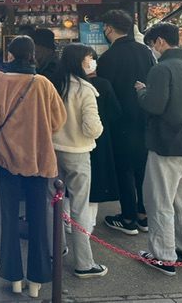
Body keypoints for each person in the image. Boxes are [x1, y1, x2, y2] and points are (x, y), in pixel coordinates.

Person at [0, 36, 67, 298]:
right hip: (38, 159)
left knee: (9, 219)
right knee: (39, 220)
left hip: (6, 159)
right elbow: (58, 121)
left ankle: (13, 276)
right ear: (32, 55)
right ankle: (37, 280)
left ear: (10, 54)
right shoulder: (43, 84)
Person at [135, 22, 182, 276]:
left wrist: (142, 92)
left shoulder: (161, 69)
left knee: (159, 202)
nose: (152, 49)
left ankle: (163, 256)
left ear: (160, 41)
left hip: (165, 145)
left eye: (152, 44)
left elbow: (154, 106)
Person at [51, 43, 107, 278]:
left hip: (52, 150)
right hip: (78, 152)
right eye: (88, 59)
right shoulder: (85, 90)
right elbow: (92, 127)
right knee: (79, 207)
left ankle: (57, 248)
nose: (91, 63)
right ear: (79, 62)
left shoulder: (54, 85)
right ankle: (84, 263)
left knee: (54, 203)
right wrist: (99, 130)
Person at [98, 9, 155, 236]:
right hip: (144, 118)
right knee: (142, 168)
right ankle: (143, 215)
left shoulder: (108, 57)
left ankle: (128, 218)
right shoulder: (145, 52)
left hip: (119, 122)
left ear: (109, 28)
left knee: (124, 169)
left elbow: (105, 93)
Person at [85, 48, 121, 228]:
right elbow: (116, 113)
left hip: (77, 141)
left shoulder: (70, 84)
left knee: (73, 184)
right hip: (101, 137)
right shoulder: (104, 84)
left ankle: (69, 222)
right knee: (97, 180)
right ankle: (89, 223)